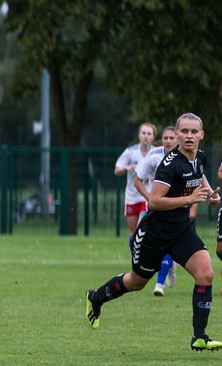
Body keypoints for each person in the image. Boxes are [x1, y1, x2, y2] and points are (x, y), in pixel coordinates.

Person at [85, 113, 222, 351]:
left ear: (202, 135)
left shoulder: (200, 156)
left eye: (193, 132)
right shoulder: (169, 165)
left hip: (180, 230)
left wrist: (211, 193)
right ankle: (95, 298)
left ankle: (199, 336)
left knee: (206, 273)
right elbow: (154, 203)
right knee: (136, 282)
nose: (189, 136)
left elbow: (199, 175)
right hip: (154, 234)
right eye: (184, 132)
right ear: (176, 134)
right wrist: (189, 198)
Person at [133, 125, 179, 296]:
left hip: (177, 211)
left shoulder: (186, 157)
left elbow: (197, 181)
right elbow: (137, 181)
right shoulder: (154, 156)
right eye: (165, 138)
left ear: (177, 139)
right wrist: (150, 199)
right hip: (156, 209)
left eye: (171, 138)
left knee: (166, 246)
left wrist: (193, 206)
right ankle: (167, 266)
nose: (168, 141)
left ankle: (159, 284)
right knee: (135, 239)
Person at [115, 121, 157, 251]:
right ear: (139, 135)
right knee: (133, 233)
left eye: (149, 133)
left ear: (153, 137)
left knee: (141, 228)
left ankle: (143, 258)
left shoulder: (157, 153)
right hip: (132, 196)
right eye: (143, 133)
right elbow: (117, 170)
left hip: (147, 196)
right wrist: (127, 168)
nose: (146, 136)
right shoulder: (130, 152)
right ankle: (135, 259)